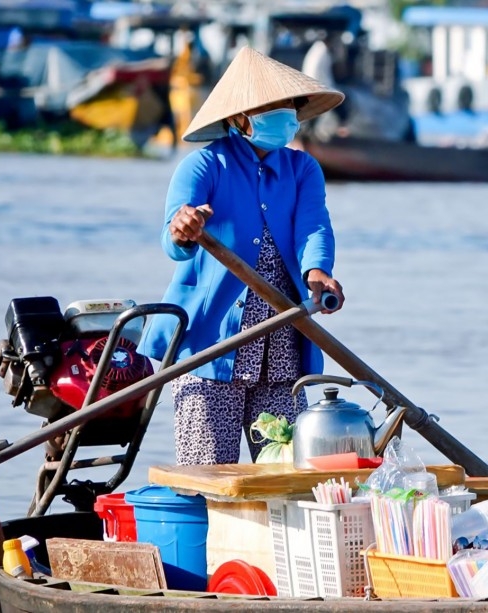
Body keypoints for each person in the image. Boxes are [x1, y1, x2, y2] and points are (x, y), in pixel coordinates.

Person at [138, 46, 346, 466]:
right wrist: (183, 227)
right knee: (209, 474)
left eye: (289, 106)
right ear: (239, 118)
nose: (283, 116)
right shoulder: (203, 166)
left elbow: (314, 227)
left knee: (287, 471)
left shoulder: (302, 169)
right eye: (270, 108)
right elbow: (172, 241)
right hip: (210, 347)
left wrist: (318, 272)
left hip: (282, 346)